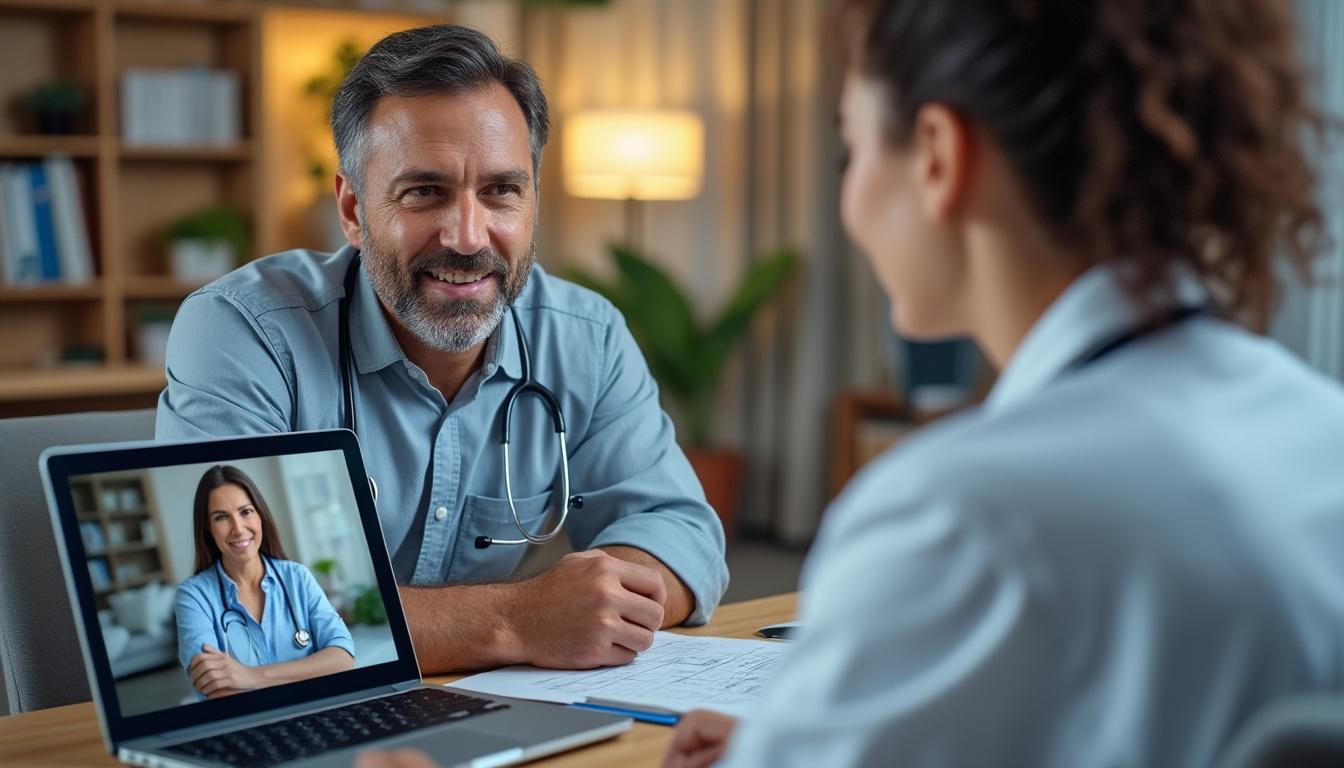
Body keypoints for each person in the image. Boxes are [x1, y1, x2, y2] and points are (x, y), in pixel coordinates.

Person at [658, 0, 1344, 766]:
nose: (851, 202)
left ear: (938, 157)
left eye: (852, 148)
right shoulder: (1321, 430)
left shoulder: (956, 518)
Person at [156, 24, 728, 675]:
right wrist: (518, 618)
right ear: (352, 208)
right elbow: (227, 610)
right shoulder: (243, 331)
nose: (466, 235)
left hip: (492, 707)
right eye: (425, 191)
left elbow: (686, 539)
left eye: (501, 191)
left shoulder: (586, 334)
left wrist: (597, 602)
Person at [175, 465, 354, 699]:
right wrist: (307, 671)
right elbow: (217, 690)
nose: (238, 529)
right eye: (221, 517)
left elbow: (342, 658)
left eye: (246, 512)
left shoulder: (296, 577)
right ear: (208, 528)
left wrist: (250, 676)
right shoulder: (193, 597)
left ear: (260, 515)